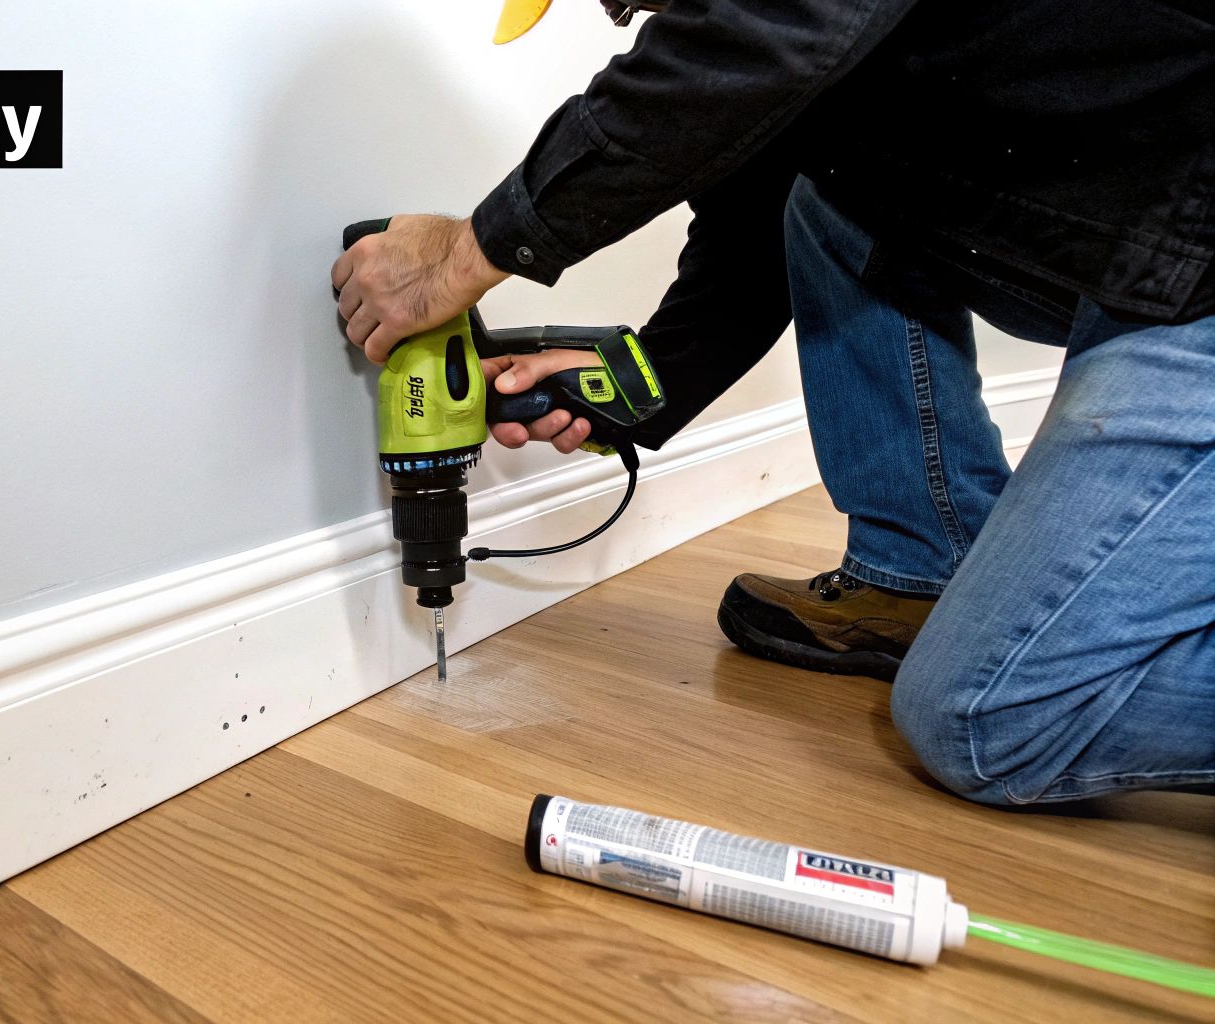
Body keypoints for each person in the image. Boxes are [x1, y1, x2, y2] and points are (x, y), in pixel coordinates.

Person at [331, 0, 1214, 806]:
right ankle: (920, 573)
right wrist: (637, 391)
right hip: (1142, 241)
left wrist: (469, 253)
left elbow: (758, 36)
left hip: (1195, 260)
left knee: (985, 716)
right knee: (826, 200)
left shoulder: (785, 20)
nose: (622, 13)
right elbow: (757, 213)